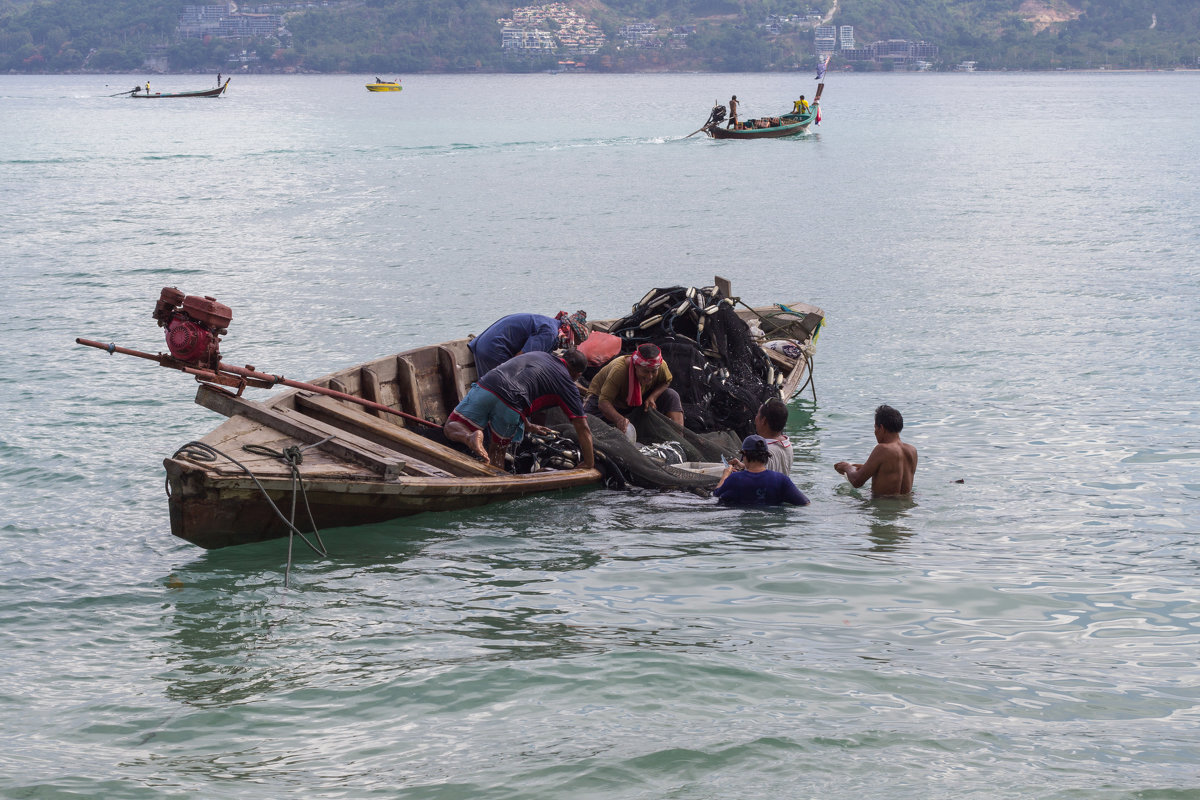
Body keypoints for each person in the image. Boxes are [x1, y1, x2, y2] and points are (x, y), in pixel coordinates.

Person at [444, 349, 594, 471]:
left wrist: (528, 426)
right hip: (510, 403)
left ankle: (469, 437)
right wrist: (588, 463)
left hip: (487, 385)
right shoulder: (567, 384)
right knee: (496, 454)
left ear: (562, 356)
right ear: (577, 375)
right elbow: (583, 428)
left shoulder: (539, 353)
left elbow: (520, 382)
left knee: (451, 426)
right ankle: (496, 488)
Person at [584, 343, 683, 441]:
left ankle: (679, 441)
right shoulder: (619, 370)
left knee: (671, 395)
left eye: (653, 372)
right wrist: (619, 419)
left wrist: (653, 397)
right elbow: (603, 402)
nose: (650, 377)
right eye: (645, 371)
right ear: (636, 366)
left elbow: (666, 381)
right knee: (584, 424)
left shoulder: (660, 365)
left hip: (635, 400)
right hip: (602, 400)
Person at [468, 310, 588, 378]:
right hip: (494, 349)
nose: (569, 347)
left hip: (485, 344)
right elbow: (520, 361)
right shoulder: (549, 334)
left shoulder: (553, 326)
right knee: (500, 391)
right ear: (570, 334)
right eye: (574, 343)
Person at [834, 404, 918, 496]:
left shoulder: (882, 449)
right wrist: (863, 467)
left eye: (875, 427)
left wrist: (847, 467)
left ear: (881, 428)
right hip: (905, 506)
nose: (875, 432)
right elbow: (891, 471)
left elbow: (856, 481)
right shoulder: (912, 450)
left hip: (883, 508)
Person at [715, 435, 810, 507]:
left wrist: (725, 475)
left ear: (745, 455)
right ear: (766, 456)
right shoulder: (781, 480)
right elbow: (805, 503)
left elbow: (715, 495)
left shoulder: (735, 479)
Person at [731, 398, 793, 474]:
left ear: (764, 421)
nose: (755, 418)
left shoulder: (762, 451)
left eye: (757, 414)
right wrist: (745, 466)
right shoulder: (786, 444)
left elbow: (752, 481)